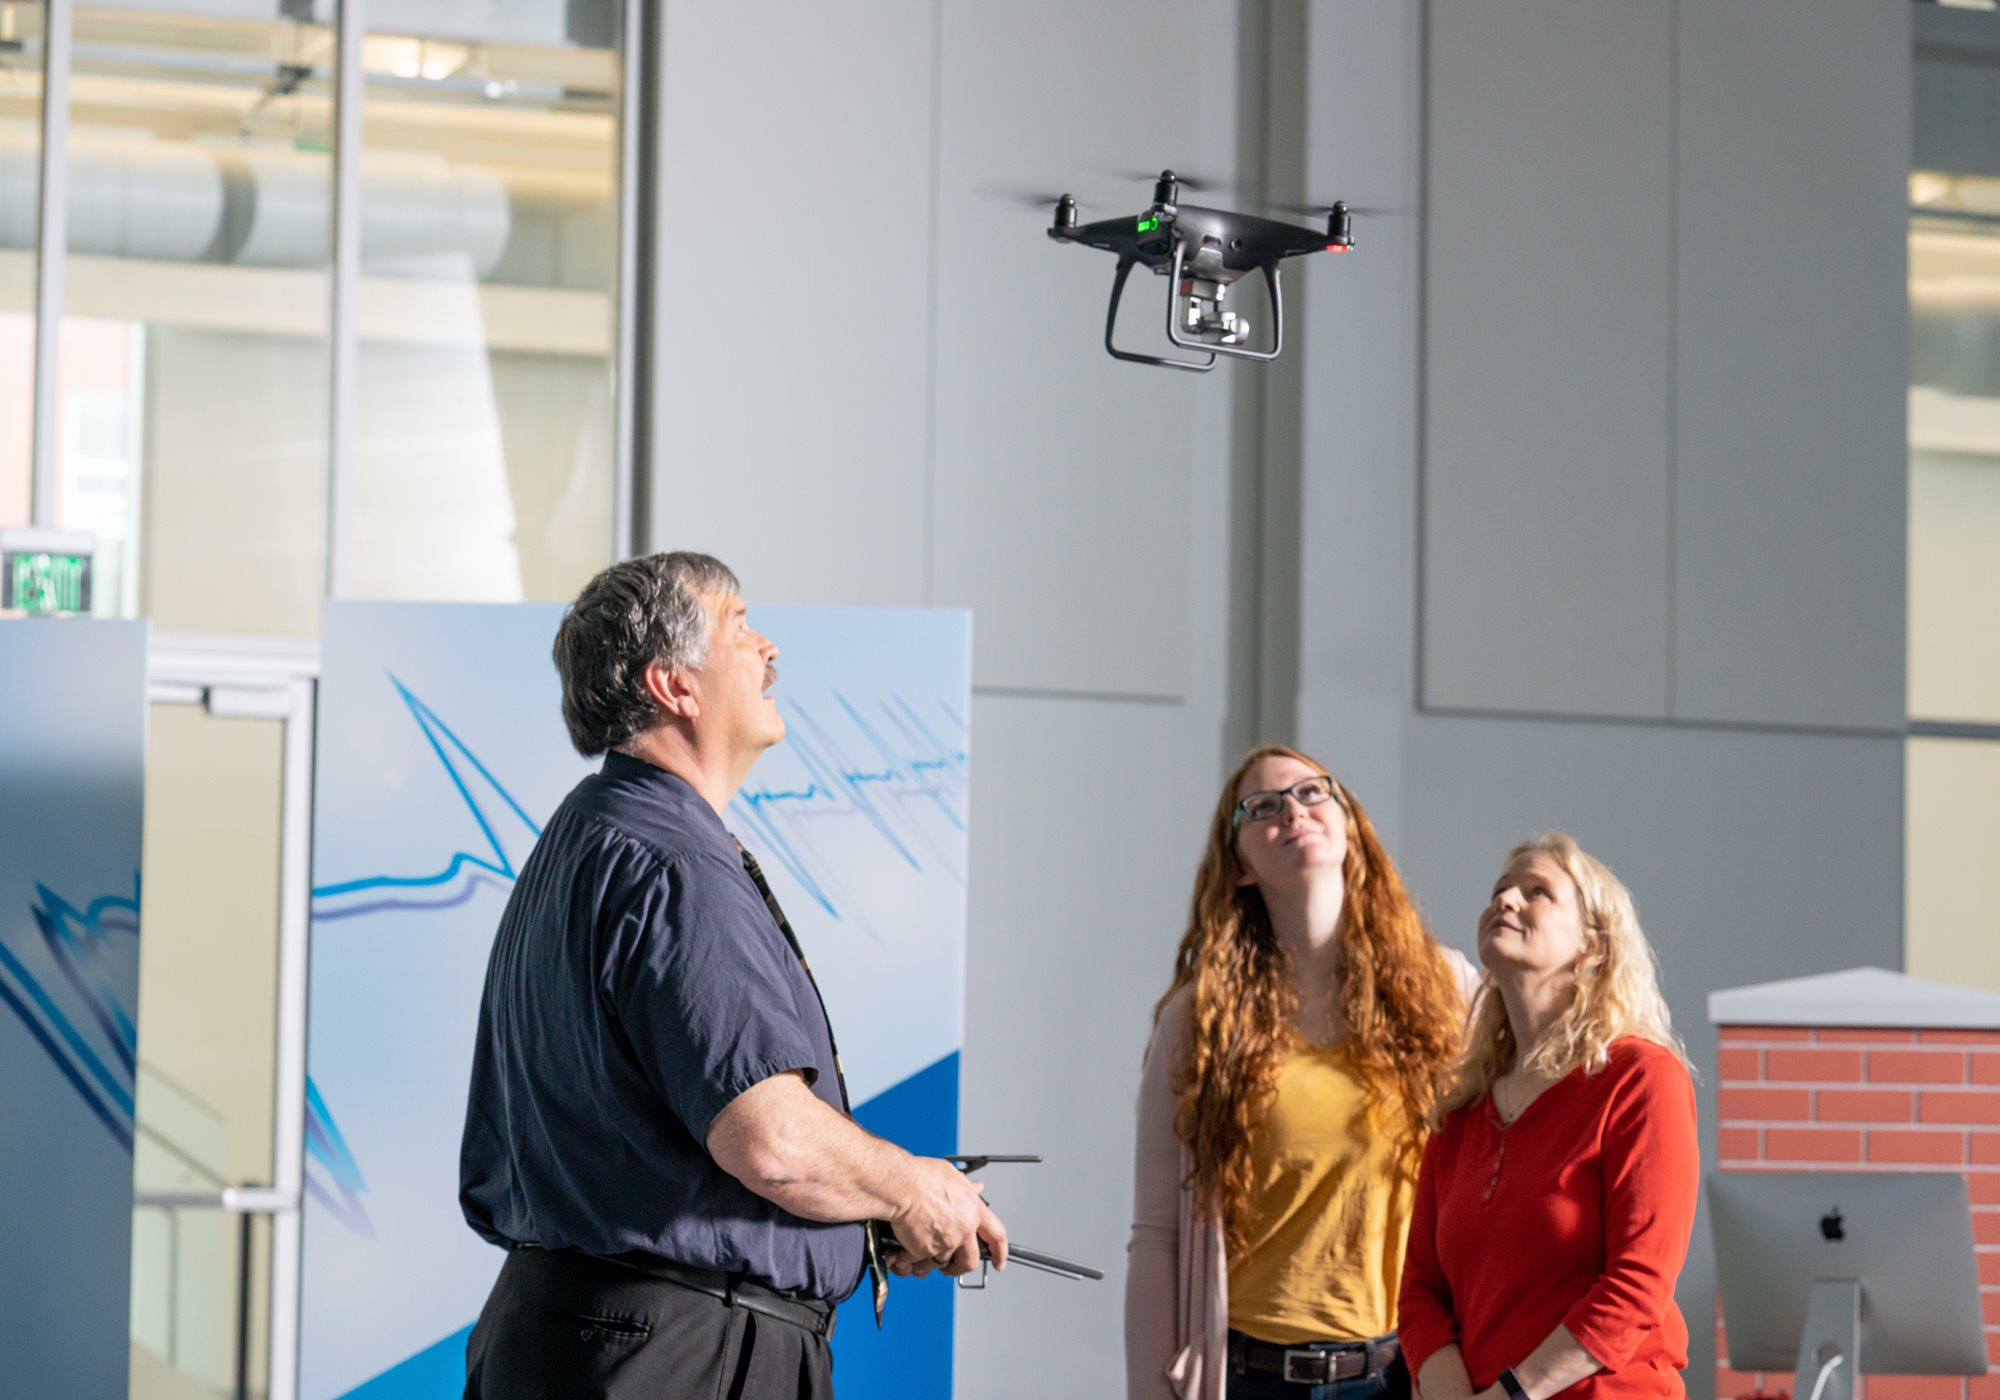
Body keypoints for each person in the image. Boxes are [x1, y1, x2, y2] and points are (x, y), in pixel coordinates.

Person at [457, 551, 1006, 1400]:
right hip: (679, 1355)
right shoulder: (671, 863)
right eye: (739, 625)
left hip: (591, 1339)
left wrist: (869, 1206)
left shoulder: (591, 835)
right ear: (674, 686)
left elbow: (655, 1141)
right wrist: (908, 1186)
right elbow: (772, 1140)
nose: (769, 647)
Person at [1127, 746, 1479, 1400]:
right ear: (1239, 867)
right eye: (1262, 807)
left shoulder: (1448, 989)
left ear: (1351, 827)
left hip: (1407, 1375)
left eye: (1312, 793)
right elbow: (1156, 1241)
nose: (1292, 809)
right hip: (1252, 1379)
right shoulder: (1198, 1020)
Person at [1397, 833, 1698, 1400]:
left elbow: (1639, 1283)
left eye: (1537, 892)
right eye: (1500, 890)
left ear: (1594, 947)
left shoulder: (1641, 1078)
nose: (1505, 901)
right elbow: (1420, 1292)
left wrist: (1512, 1394)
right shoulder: (1460, 1112)